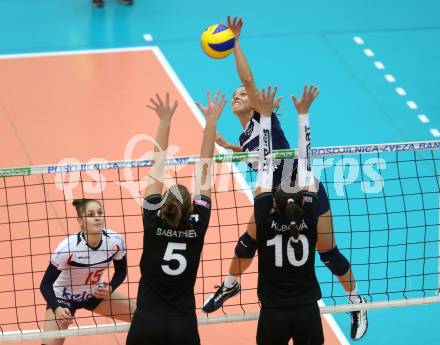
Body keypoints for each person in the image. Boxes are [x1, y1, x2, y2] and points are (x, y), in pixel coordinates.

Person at [202, 16, 368, 341]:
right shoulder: (248, 132)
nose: (237, 96)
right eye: (235, 94)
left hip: (304, 194)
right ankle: (230, 284)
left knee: (328, 252)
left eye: (241, 94)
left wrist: (234, 42)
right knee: (247, 243)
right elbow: (263, 154)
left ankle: (356, 301)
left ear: (256, 103)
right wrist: (230, 146)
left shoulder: (265, 119)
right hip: (273, 199)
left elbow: (248, 78)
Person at [126, 91, 226, 345]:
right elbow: (205, 169)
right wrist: (211, 123)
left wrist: (164, 121)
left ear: (161, 206)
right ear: (192, 207)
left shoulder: (153, 223)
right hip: (182, 322)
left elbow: (156, 168)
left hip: (147, 320)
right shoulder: (197, 226)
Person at [253, 83, 324, 345]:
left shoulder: (266, 222)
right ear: (303, 201)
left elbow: (266, 163)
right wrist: (303, 113)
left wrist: (264, 116)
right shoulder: (308, 219)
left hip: (274, 314)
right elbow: (306, 164)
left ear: (273, 203)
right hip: (307, 312)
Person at [40, 198, 135, 345]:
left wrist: (110, 287)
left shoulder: (115, 241)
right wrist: (57, 308)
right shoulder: (68, 248)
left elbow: (121, 271)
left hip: (94, 294)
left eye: (100, 213)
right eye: (91, 215)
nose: (97, 217)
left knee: (142, 316)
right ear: (80, 221)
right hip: (64, 298)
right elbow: (45, 284)